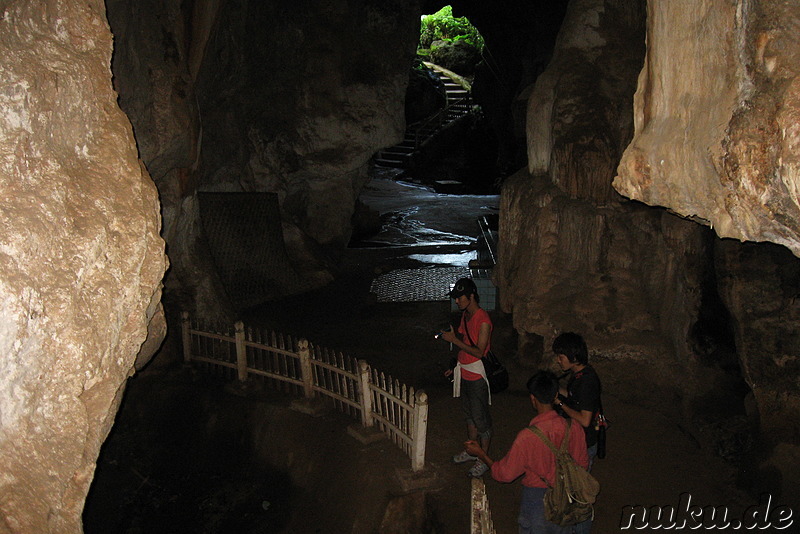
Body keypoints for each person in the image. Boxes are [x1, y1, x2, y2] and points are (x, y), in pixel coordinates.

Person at [465, 371, 589, 534]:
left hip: (536, 501)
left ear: (533, 399)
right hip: (567, 497)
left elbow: (504, 474)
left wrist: (481, 454)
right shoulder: (573, 427)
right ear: (555, 396)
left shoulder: (527, 437)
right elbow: (583, 464)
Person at [440, 277, 493, 478]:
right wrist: (455, 366)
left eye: (459, 298)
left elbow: (479, 352)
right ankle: (472, 451)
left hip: (477, 376)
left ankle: (484, 458)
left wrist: (454, 340)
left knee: (481, 420)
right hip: (464, 371)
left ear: (471, 296)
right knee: (469, 416)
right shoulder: (465, 316)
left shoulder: (484, 320)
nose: (457, 301)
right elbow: (465, 345)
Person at [553, 332, 602, 534]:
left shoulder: (588, 381)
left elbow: (584, 419)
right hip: (578, 440)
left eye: (561, 357)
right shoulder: (579, 375)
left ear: (573, 356)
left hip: (585, 443)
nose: (558, 360)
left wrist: (560, 403)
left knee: (580, 493)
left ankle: (581, 529)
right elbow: (574, 396)